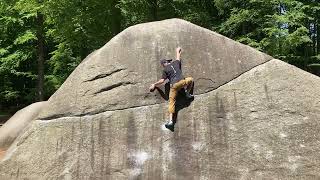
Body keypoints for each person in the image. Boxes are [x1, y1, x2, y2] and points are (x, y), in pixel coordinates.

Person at [149, 47, 194, 131]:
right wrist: (178, 50)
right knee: (191, 80)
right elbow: (178, 56)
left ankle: (170, 122)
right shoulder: (176, 63)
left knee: (171, 102)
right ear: (167, 62)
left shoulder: (165, 70)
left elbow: (162, 81)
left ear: (163, 64)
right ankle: (187, 94)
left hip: (174, 86)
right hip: (183, 82)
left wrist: (154, 85)